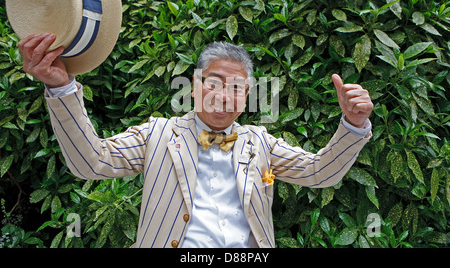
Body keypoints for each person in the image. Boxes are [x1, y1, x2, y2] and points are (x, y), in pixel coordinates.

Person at [19, 33, 373, 248]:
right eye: (214, 82)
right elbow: (90, 162)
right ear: (194, 85)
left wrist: (353, 125)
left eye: (236, 87)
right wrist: (61, 87)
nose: (223, 94)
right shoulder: (158, 133)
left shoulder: (261, 143)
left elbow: (319, 173)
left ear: (247, 95)